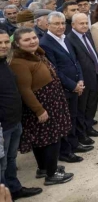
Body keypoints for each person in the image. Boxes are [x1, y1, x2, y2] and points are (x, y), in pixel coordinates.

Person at [9, 28, 75, 186]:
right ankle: (51, 174)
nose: (32, 41)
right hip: (42, 103)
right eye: (27, 40)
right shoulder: (18, 62)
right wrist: (39, 110)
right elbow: (25, 89)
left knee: (43, 139)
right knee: (50, 138)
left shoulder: (35, 53)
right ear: (17, 44)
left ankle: (45, 168)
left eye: (33, 37)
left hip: (51, 101)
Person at [39, 12, 90, 163]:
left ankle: (74, 144)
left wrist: (80, 79)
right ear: (48, 25)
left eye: (62, 23)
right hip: (63, 90)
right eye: (56, 24)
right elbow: (54, 70)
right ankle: (65, 152)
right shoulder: (45, 43)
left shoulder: (65, 38)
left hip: (75, 86)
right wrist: (73, 85)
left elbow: (75, 61)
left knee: (72, 118)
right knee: (64, 122)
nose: (61, 26)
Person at [0, 30, 43, 199]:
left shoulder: (5, 62)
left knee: (11, 160)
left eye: (5, 42)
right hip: (2, 125)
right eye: (0, 43)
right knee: (2, 165)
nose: (3, 46)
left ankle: (14, 189)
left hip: (14, 121)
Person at [66, 13, 98, 147]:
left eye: (85, 23)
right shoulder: (69, 39)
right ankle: (81, 134)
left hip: (93, 75)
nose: (84, 26)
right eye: (81, 23)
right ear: (73, 25)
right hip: (82, 79)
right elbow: (74, 61)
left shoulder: (87, 34)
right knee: (81, 109)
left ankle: (89, 128)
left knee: (91, 105)